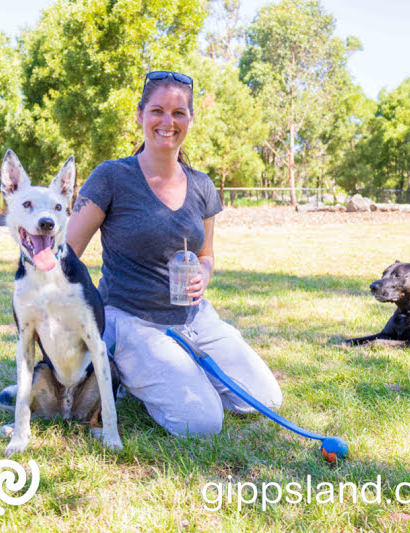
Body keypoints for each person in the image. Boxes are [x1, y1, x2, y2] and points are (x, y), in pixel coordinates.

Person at [66, 70, 282, 436]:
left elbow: (207, 254)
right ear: (140, 115)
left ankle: (178, 368)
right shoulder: (111, 177)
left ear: (191, 119)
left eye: (179, 113)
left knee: (264, 400)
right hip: (133, 321)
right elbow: (66, 253)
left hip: (196, 319)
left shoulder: (202, 185)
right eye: (157, 111)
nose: (168, 122)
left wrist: (206, 274)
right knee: (201, 423)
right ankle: (128, 372)